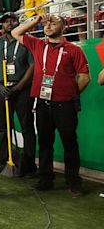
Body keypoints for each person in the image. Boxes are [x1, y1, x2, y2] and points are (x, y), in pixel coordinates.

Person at [12, 14, 90, 197]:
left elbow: (85, 77)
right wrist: (36, 20)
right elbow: (16, 32)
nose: (48, 25)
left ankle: (73, 181)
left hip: (65, 106)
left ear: (64, 27)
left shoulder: (73, 50)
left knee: (70, 144)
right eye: (46, 23)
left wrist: (70, 94)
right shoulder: (38, 45)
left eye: (53, 22)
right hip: (42, 103)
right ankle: (45, 178)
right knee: (45, 143)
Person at [0, 13, 36, 176]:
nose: (9, 23)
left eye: (13, 20)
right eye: (6, 21)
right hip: (2, 90)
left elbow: (32, 67)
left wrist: (19, 87)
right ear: (2, 25)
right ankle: (3, 160)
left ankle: (28, 165)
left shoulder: (25, 42)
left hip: (22, 90)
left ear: (18, 23)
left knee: (26, 126)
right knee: (3, 126)